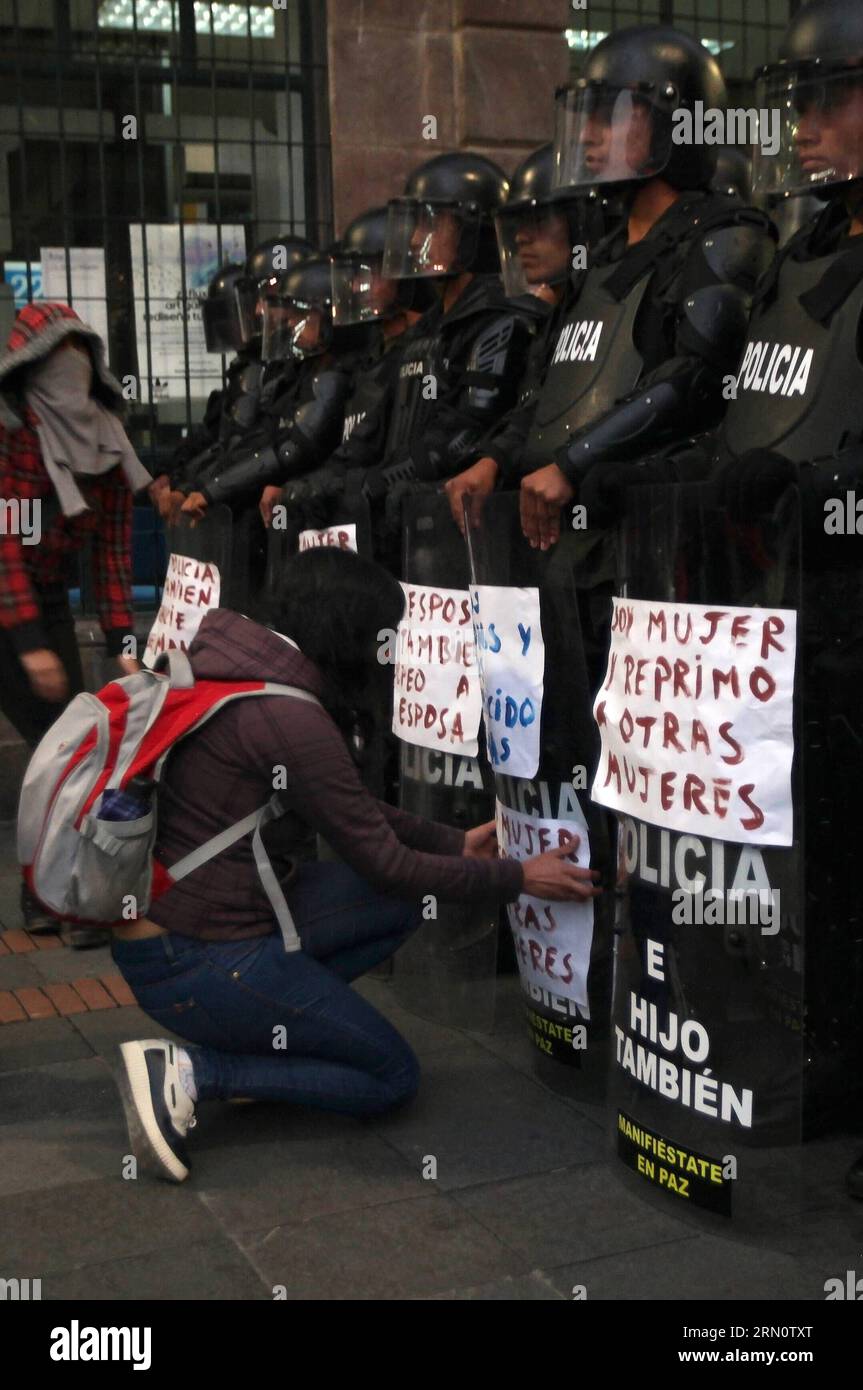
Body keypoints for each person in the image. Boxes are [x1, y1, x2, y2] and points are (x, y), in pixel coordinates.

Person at [111, 547, 602, 1183]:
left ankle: (268, 1031)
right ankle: (194, 1072)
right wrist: (516, 878)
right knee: (391, 1076)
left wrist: (453, 842)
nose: (389, 653)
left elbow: (350, 808)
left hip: (175, 932)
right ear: (346, 630)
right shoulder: (287, 713)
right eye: (383, 637)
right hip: (196, 958)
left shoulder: (225, 663)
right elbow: (385, 863)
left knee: (405, 901)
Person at [446, 26, 776, 560]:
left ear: (678, 120)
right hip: (560, 531)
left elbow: (695, 378)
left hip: (656, 540)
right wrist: (493, 461)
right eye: (587, 117)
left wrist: (574, 463)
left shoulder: (725, 232)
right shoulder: (601, 254)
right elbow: (547, 389)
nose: (589, 136)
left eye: (615, 114)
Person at [0, 301, 153, 946]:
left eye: (80, 369)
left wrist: (125, 645)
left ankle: (52, 890)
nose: (71, 386)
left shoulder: (106, 439)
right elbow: (6, 544)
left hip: (48, 593)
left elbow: (113, 557)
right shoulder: (14, 437)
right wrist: (30, 646)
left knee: (62, 739)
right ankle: (48, 890)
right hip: (11, 592)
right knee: (49, 737)